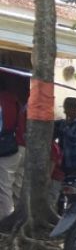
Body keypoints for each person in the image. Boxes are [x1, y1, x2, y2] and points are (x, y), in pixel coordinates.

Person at [0, 77, 25, 222]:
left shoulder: (2, 101)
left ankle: (6, 223)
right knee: (17, 187)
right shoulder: (15, 100)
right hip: (21, 146)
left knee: (4, 188)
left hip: (7, 149)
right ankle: (17, 220)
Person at [54, 97, 76, 179]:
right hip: (63, 163)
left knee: (75, 187)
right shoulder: (62, 123)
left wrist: (65, 126)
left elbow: (74, 138)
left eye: (66, 109)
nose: (64, 111)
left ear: (74, 109)